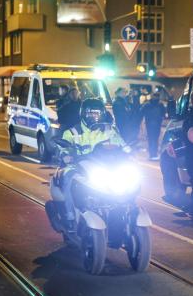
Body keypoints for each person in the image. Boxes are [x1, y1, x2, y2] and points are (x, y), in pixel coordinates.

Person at [58, 98, 126, 229]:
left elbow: (122, 144)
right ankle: (70, 216)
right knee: (68, 177)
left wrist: (130, 153)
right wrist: (66, 155)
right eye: (91, 113)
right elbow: (63, 148)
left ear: (102, 114)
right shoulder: (72, 132)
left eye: (97, 113)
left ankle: (124, 211)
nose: (94, 116)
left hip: (106, 167)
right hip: (80, 167)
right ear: (83, 114)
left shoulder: (110, 130)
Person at [141, 92, 166, 160]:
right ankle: (153, 154)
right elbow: (164, 114)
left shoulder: (147, 104)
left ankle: (152, 154)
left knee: (151, 139)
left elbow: (141, 112)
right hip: (156, 124)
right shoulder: (160, 105)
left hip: (150, 124)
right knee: (154, 139)